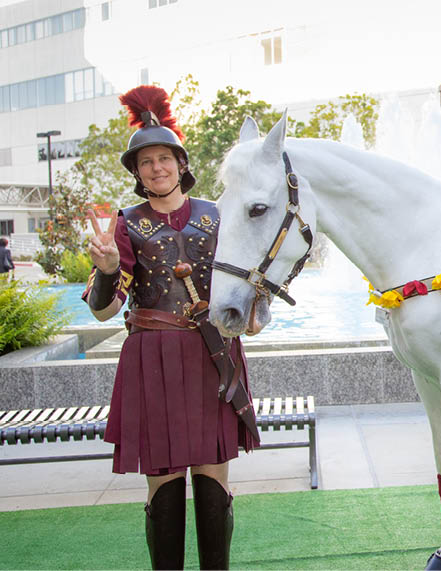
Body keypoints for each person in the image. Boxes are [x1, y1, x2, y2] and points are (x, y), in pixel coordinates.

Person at [83, 85, 259, 570]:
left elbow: (242, 290)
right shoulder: (126, 225)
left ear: (181, 163)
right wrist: (102, 269)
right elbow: (105, 309)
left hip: (210, 357)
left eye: (165, 158)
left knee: (212, 478)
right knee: (163, 484)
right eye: (146, 162)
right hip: (152, 362)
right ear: (137, 172)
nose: (156, 167)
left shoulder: (216, 215)